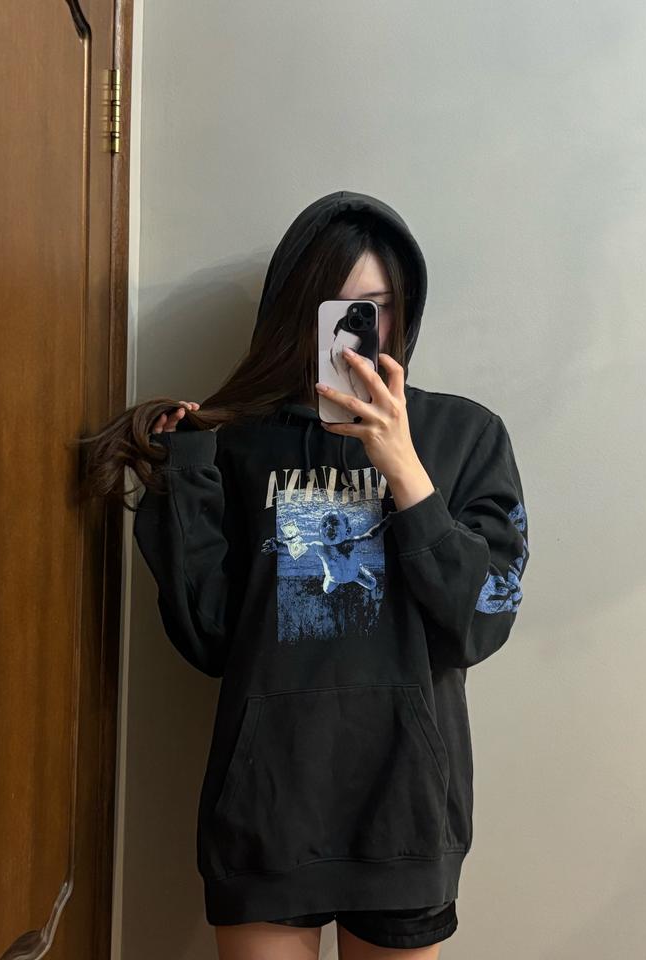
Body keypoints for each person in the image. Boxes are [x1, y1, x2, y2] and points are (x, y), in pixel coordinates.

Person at [79, 190, 530, 957]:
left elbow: (480, 622)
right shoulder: (238, 443)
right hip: (265, 812)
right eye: (338, 309)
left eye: (376, 308)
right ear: (295, 312)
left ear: (405, 310)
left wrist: (404, 469)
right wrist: (186, 473)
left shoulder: (465, 435)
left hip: (405, 817)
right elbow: (210, 639)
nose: (357, 331)